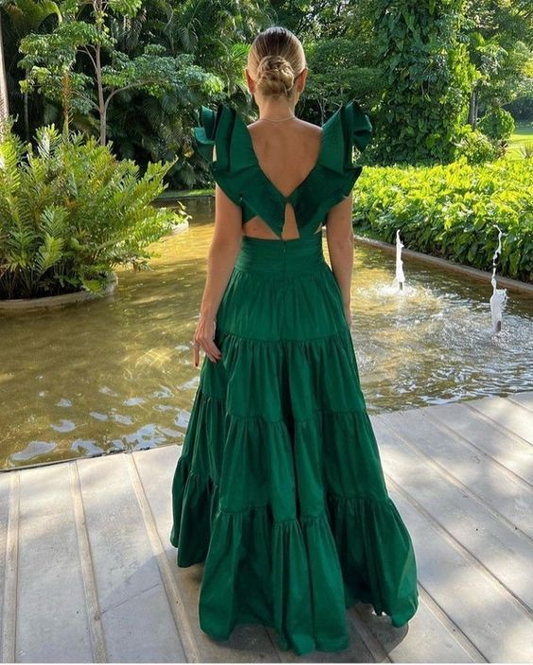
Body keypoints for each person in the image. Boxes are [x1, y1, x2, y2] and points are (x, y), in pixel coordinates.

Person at [170, 25, 419, 656]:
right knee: (322, 426)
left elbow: (224, 244)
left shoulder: (234, 145)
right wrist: (342, 315)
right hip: (312, 304)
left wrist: (205, 318)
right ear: (301, 80)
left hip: (251, 306)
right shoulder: (331, 147)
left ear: (249, 80)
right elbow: (342, 245)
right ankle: (336, 563)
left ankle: (249, 569)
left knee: (247, 426)